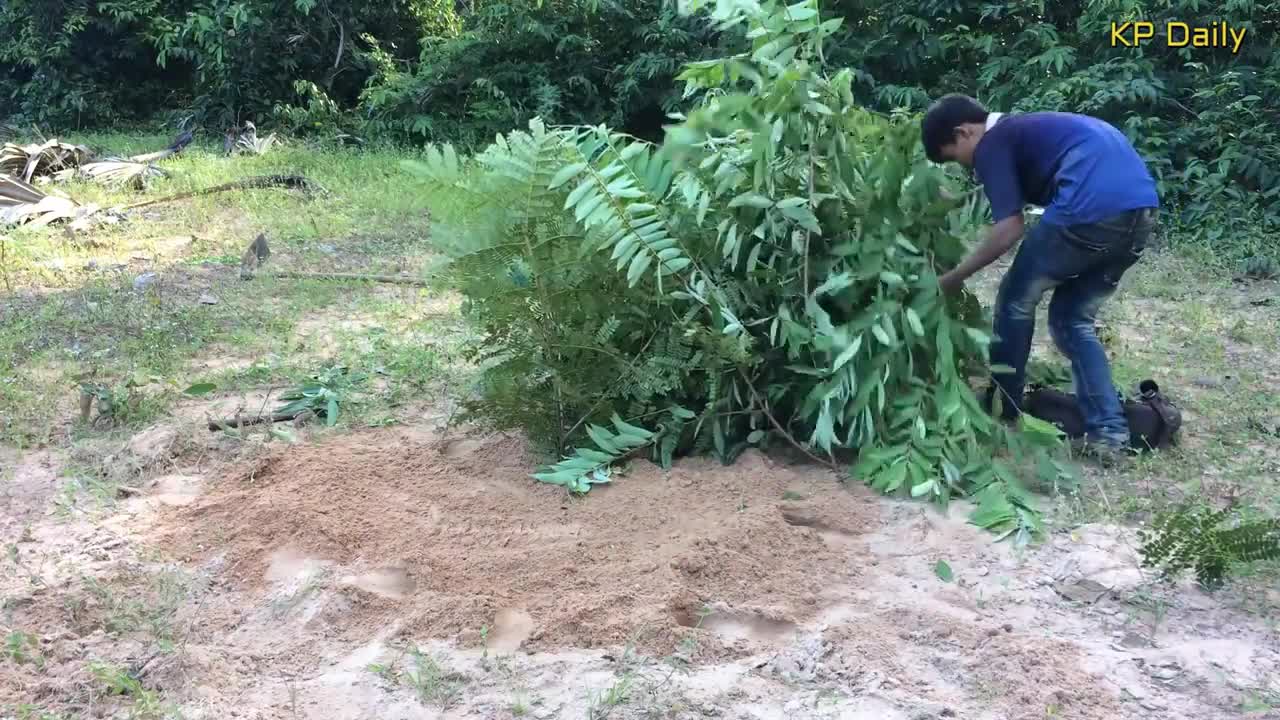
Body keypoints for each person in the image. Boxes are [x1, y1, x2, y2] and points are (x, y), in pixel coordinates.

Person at [919, 94, 1159, 461]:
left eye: (955, 157)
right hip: (1141, 214)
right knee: (1071, 319)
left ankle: (1003, 405)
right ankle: (1109, 434)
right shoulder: (1031, 129)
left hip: (1086, 211)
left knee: (1015, 299)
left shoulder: (994, 142)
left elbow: (1009, 227)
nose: (966, 167)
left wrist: (953, 277)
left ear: (963, 132)